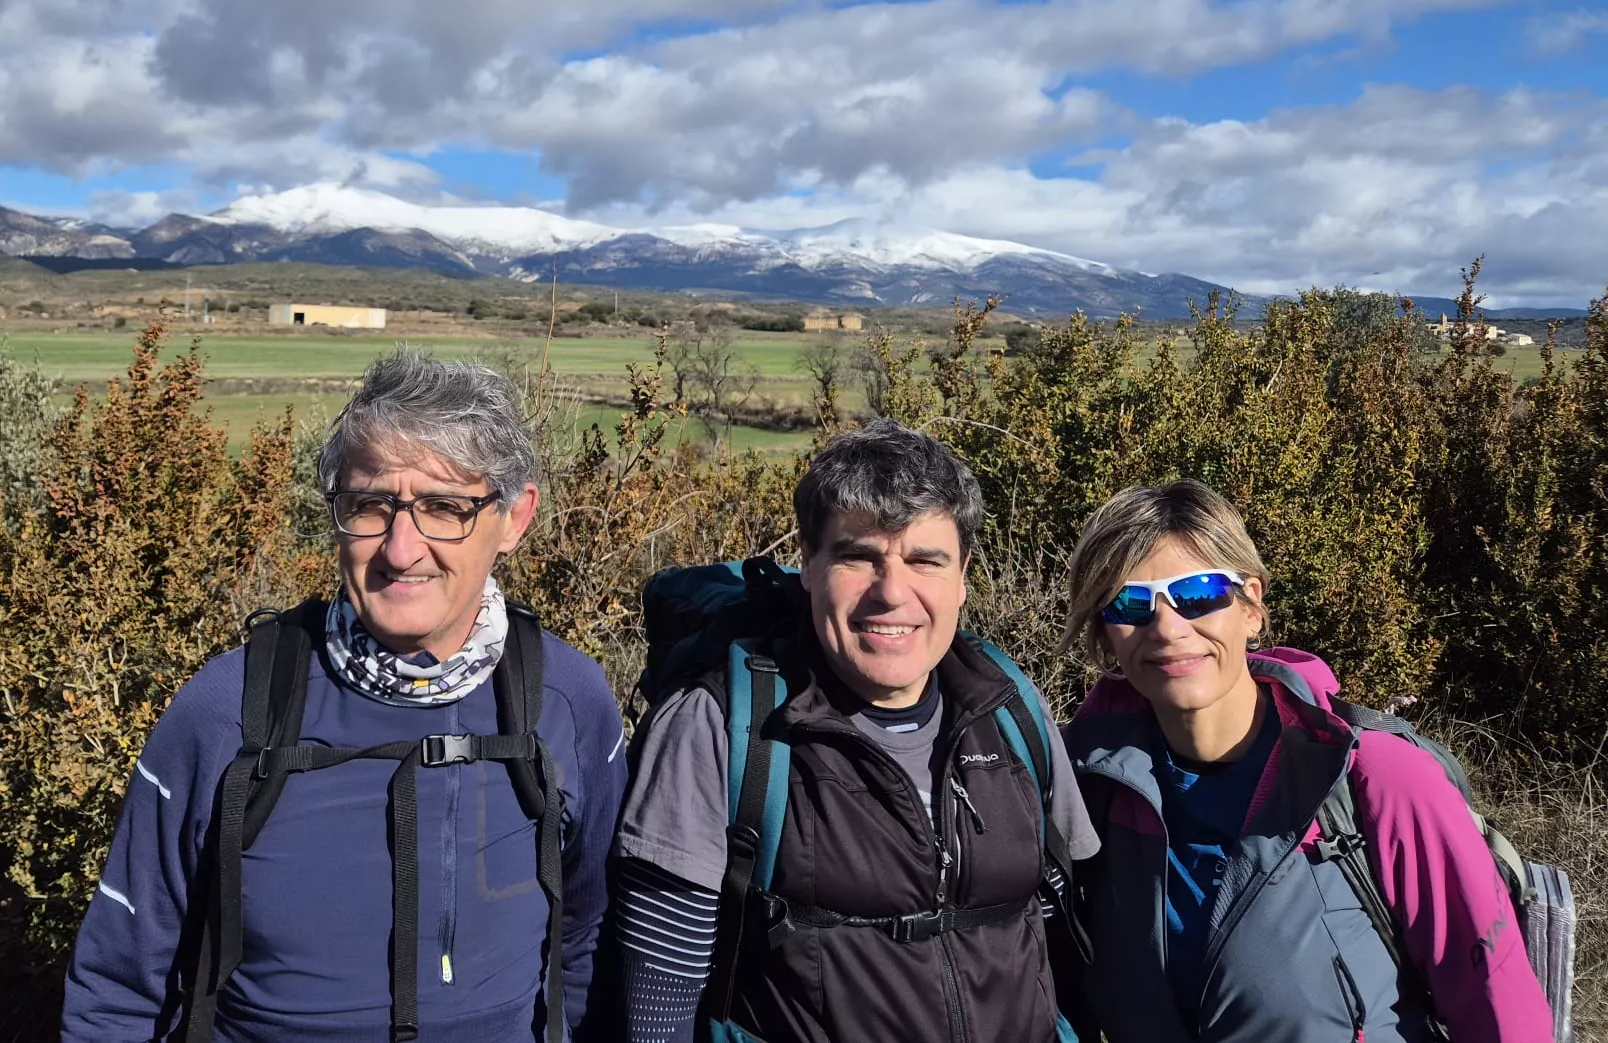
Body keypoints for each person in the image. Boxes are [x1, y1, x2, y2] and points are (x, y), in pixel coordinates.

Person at [63, 349, 627, 1043]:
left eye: (445, 508)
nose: (400, 548)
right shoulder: (224, 713)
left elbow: (589, 942)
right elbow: (118, 986)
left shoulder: (566, 704)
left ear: (514, 518)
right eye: (368, 505)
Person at [611, 418, 1099, 1043]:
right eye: (857, 557)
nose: (891, 593)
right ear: (808, 566)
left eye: (925, 560)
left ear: (964, 575)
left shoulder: (1008, 708)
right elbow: (660, 995)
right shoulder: (724, 726)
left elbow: (1066, 937)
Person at [1060, 479, 1552, 1042]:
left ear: (1250, 607)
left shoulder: (1374, 779)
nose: (1168, 628)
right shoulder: (1084, 787)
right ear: (1105, 634)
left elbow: (1500, 1008)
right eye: (1129, 603)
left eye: (1198, 593)